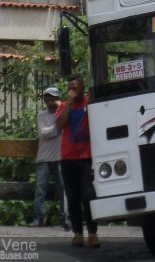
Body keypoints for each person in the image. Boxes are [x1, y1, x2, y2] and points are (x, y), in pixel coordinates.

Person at [56, 74, 100, 248]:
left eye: (75, 87)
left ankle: (93, 232)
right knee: (72, 197)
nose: (72, 91)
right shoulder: (64, 107)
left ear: (82, 88)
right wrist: (68, 103)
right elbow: (59, 126)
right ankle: (77, 233)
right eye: (70, 88)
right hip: (68, 158)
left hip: (86, 157)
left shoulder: (89, 104)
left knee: (88, 195)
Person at [28, 87, 69, 230]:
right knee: (40, 190)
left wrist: (59, 122)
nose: (51, 103)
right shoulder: (42, 116)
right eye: (48, 100)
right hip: (44, 158)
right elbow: (45, 133)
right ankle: (39, 218)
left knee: (63, 189)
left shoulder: (65, 113)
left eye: (54, 100)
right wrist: (59, 126)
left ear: (59, 99)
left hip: (60, 158)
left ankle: (65, 218)